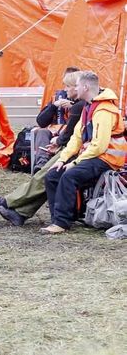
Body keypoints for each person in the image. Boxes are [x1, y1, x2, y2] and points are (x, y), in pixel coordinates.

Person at [0, 70, 86, 226]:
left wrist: (60, 143)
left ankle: (10, 203)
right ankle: (19, 213)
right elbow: (41, 121)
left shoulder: (80, 106)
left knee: (46, 176)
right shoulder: (66, 100)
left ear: (79, 87)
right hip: (66, 145)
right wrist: (54, 106)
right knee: (42, 142)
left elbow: (74, 136)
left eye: (68, 86)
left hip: (75, 149)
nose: (65, 90)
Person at [42, 71, 127, 234]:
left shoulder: (104, 110)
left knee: (69, 176)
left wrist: (74, 163)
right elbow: (77, 137)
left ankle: (61, 223)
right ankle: (60, 218)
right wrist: (63, 158)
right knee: (52, 175)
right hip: (94, 155)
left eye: (77, 85)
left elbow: (100, 146)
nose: (73, 89)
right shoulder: (89, 107)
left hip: (107, 159)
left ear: (85, 87)